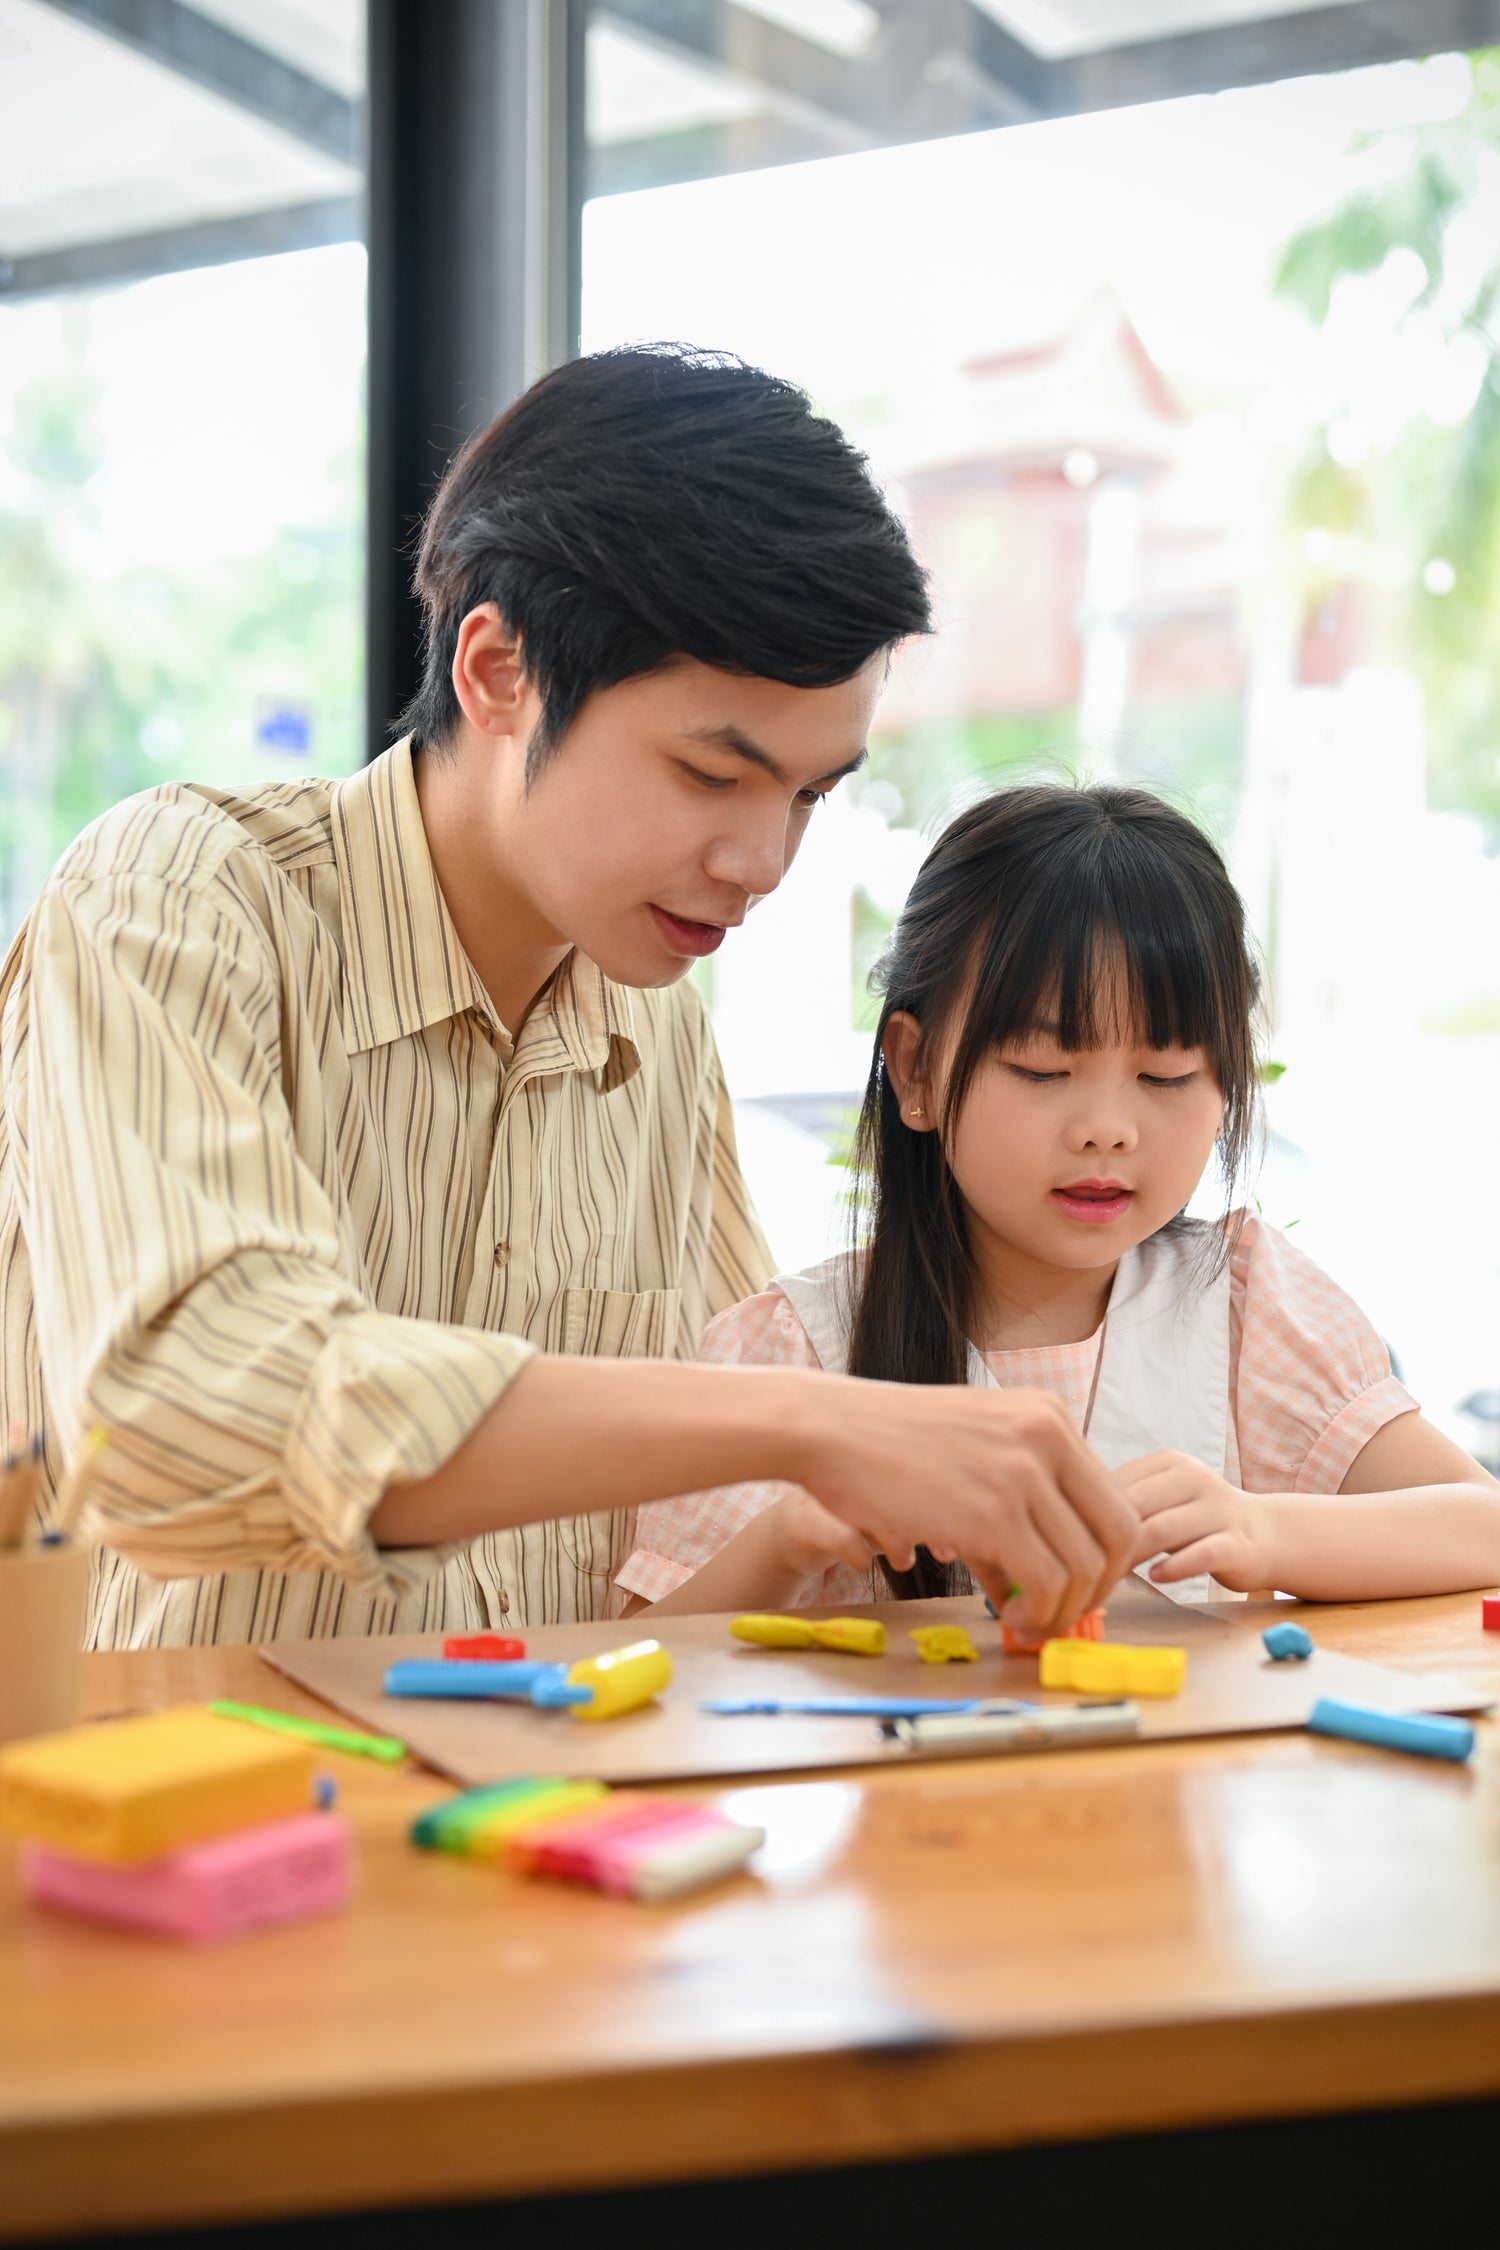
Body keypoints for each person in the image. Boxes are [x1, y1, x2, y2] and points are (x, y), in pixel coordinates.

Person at [0, 346, 1136, 1650]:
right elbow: (178, 1414)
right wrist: (817, 1423)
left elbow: (728, 1463)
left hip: (534, 1816)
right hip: (178, 1817)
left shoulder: (654, 1018)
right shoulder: (180, 900)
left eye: (810, 795)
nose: (762, 864)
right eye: (713, 773)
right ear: (497, 671)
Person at [620, 782, 1500, 1627]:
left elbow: (1482, 1526)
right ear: (916, 1070)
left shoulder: (1250, 1308)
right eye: (1043, 1070)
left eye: (1167, 1075)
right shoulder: (794, 1351)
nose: (1108, 1130)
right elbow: (634, 1656)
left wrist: (1268, 1532)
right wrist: (793, 1536)